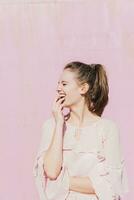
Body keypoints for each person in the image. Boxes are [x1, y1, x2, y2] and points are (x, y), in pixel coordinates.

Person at [33, 61, 129, 200]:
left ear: (83, 88)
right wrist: (59, 123)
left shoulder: (107, 129)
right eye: (58, 83)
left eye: (64, 84)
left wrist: (63, 181)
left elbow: (113, 184)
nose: (58, 88)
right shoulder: (51, 126)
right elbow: (52, 172)